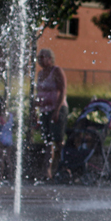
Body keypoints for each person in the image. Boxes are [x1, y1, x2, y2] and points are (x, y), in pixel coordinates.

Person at [35, 49, 67, 180]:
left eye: (43, 57)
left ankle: (63, 166)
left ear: (50, 58)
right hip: (44, 110)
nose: (40, 60)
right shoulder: (40, 73)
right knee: (47, 141)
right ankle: (47, 170)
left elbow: (63, 89)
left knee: (58, 140)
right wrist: (34, 110)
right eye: (39, 58)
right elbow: (38, 93)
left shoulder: (57, 71)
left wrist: (57, 110)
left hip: (56, 109)